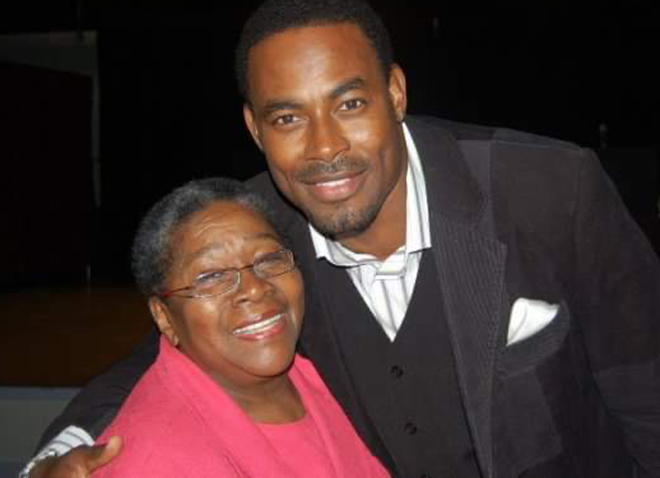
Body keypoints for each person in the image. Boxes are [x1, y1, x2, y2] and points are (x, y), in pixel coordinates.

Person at [23, 0, 660, 477]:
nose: (324, 149)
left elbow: (645, 384)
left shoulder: (548, 189)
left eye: (349, 105)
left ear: (395, 92)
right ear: (254, 128)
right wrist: (55, 456)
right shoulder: (260, 227)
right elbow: (167, 348)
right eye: (288, 117)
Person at [89, 177, 390, 478]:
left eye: (269, 259)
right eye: (211, 277)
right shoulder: (155, 463)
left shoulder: (327, 377)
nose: (255, 289)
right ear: (164, 317)